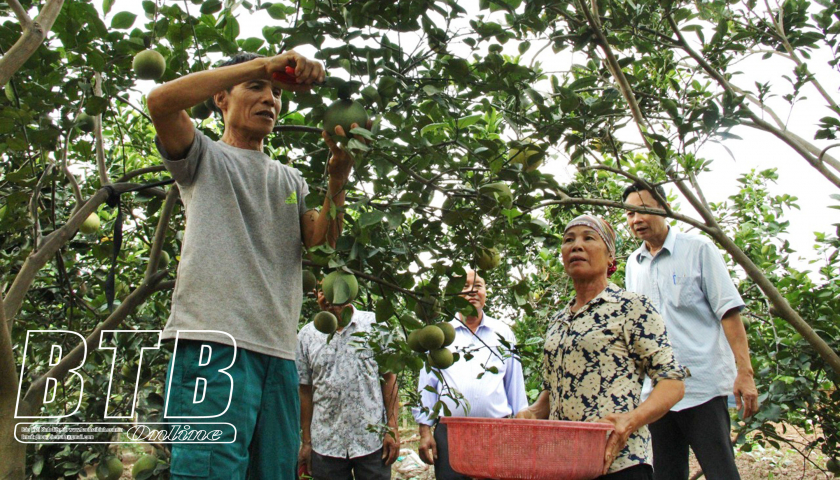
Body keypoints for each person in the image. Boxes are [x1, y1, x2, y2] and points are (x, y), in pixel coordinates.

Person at [147, 50, 362, 479]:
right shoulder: (203, 157)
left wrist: (337, 179)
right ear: (221, 98)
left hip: (278, 356)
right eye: (257, 89)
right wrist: (262, 65)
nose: (271, 100)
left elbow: (320, 246)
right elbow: (160, 102)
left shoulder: (289, 180)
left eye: (277, 93)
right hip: (214, 348)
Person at [517, 215, 687, 480]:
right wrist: (533, 412)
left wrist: (628, 422)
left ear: (610, 257)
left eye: (589, 238)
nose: (576, 245)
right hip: (564, 464)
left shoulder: (631, 307)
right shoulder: (558, 320)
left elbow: (673, 383)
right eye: (568, 240)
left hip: (620, 463)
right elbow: (554, 391)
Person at [622, 182, 759, 480]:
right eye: (630, 214)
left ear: (663, 208)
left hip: (702, 388)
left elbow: (729, 311)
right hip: (656, 395)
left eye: (643, 210)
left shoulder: (699, 249)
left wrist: (744, 372)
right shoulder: (634, 264)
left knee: (721, 471)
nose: (636, 220)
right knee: (666, 474)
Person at [413, 270, 528, 480]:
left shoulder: (503, 333)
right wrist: (425, 432)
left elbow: (515, 384)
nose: (472, 291)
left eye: (478, 286)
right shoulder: (440, 335)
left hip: (497, 432)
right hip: (450, 435)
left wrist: (520, 431)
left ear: (486, 293)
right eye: (465, 287)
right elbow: (427, 384)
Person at [296, 287, 401, 480]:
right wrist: (307, 442)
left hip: (371, 441)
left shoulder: (374, 325)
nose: (327, 296)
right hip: (326, 444)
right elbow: (305, 391)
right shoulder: (306, 335)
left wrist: (392, 428)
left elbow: (389, 380)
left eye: (331, 288)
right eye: (321, 290)